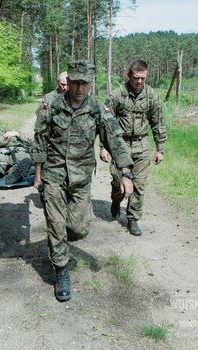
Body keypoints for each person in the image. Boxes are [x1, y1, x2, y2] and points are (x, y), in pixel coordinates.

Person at [33, 59, 134, 302]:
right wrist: (38, 174)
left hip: (81, 176)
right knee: (56, 224)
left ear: (90, 84)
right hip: (54, 174)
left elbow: (115, 141)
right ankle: (61, 270)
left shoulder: (98, 109)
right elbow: (40, 139)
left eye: (84, 83)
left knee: (77, 229)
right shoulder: (52, 105)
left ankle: (61, 241)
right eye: (75, 83)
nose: (79, 88)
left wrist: (126, 173)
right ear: (68, 83)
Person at [100, 59, 167, 236]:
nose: (139, 82)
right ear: (129, 75)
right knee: (118, 181)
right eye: (136, 78)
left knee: (139, 184)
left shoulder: (151, 96)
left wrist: (160, 148)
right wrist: (103, 147)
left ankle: (133, 218)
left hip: (142, 145)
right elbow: (106, 123)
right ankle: (116, 199)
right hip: (120, 145)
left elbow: (158, 123)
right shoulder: (117, 95)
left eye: (143, 78)